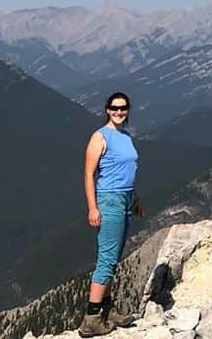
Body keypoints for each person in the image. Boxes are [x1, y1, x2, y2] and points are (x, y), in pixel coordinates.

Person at [79, 92, 143, 337]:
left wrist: (135, 198)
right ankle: (91, 319)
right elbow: (88, 174)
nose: (119, 112)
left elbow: (128, 170)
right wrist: (93, 207)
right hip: (109, 200)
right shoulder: (100, 137)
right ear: (107, 109)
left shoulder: (125, 136)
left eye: (123, 108)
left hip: (125, 198)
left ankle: (107, 310)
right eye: (114, 108)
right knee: (106, 259)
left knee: (113, 257)